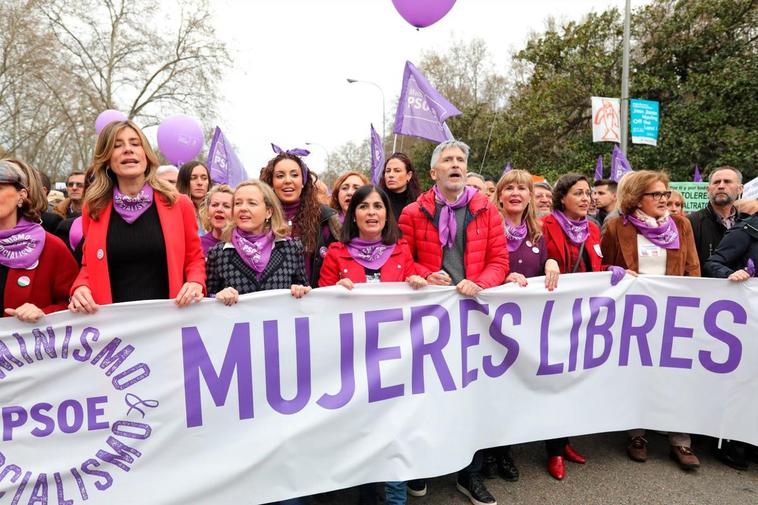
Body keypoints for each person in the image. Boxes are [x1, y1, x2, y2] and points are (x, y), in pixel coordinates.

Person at [399, 139, 508, 505]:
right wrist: (425, 275)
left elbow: (499, 262)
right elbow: (403, 260)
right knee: (424, 392)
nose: (456, 164)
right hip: (428, 318)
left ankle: (470, 474)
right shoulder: (414, 213)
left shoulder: (486, 211)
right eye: (448, 159)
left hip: (473, 315)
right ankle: (420, 468)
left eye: (461, 158)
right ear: (434, 172)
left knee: (471, 394)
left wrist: (480, 283)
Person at [319, 184, 426, 505]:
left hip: (395, 361)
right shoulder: (337, 253)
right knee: (361, 431)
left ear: (386, 214)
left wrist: (418, 283)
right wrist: (334, 290)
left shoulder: (402, 251)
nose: (371, 213)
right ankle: (367, 492)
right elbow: (321, 308)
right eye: (364, 207)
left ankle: (395, 499)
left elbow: (416, 290)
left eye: (378, 207)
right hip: (352, 359)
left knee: (395, 434)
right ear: (354, 215)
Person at [600, 170, 701, 471]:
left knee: (675, 376)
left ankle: (680, 440)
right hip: (634, 317)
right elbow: (603, 265)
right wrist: (613, 273)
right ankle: (637, 435)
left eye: (665, 194)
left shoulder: (681, 225)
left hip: (673, 314)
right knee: (638, 375)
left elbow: (692, 269)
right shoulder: (617, 226)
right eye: (655, 194)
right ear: (636, 198)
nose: (663, 199)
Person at [541, 172, 629, 480]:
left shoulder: (592, 228)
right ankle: (553, 449)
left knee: (575, 379)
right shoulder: (546, 225)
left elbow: (595, 262)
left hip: (584, 316)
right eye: (578, 193)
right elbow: (545, 265)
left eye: (587, 193)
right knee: (556, 381)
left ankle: (566, 441)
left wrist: (610, 270)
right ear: (562, 198)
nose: (585, 198)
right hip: (554, 315)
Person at [68, 120, 205, 312]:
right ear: (107, 158)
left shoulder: (178, 203)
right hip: (114, 330)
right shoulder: (94, 207)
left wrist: (195, 282)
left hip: (169, 324)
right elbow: (88, 266)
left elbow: (194, 259)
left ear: (146, 154)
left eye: (135, 143)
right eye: (117, 145)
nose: (128, 150)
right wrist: (81, 286)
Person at [479, 169, 561, 483]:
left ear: (529, 196)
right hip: (491, 326)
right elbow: (479, 267)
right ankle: (484, 452)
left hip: (526, 329)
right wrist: (503, 277)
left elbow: (546, 264)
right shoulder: (488, 228)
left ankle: (505, 452)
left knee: (514, 391)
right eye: (509, 188)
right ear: (499, 195)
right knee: (491, 391)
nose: (515, 193)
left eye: (521, 189)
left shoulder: (538, 231)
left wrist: (552, 261)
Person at [704, 205, 758, 470]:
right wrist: (730, 274)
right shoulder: (746, 231)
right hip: (744, 322)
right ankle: (732, 444)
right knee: (743, 382)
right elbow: (713, 263)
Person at [206, 180, 310, 303]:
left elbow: (305, 293)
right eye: (238, 203)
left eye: (252, 203)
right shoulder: (218, 254)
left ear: (268, 212)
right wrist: (217, 296)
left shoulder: (291, 248)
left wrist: (300, 290)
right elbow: (207, 299)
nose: (243, 208)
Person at [0, 159, 78, 322]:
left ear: (21, 195)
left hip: (28, 345)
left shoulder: (51, 247)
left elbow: (72, 305)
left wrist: (43, 313)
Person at [260, 146, 340, 287]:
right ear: (271, 183)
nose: (287, 180)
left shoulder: (325, 218)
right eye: (280, 176)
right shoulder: (259, 218)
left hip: (315, 303)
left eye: (294, 175)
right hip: (273, 303)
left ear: (303, 181)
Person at [688, 166, 745, 275]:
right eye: (716, 182)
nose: (721, 186)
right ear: (708, 189)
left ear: (740, 189)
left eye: (727, 182)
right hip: (703, 290)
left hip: (741, 289)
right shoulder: (691, 222)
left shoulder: (748, 223)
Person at [379, 153, 421, 222]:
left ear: (409, 175)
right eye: (388, 171)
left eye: (397, 171)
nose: (391, 175)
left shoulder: (419, 204)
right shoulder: (377, 200)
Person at [198, 184, 234, 255]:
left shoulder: (243, 245)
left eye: (226, 206)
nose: (219, 209)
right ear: (208, 212)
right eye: (215, 205)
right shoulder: (198, 245)